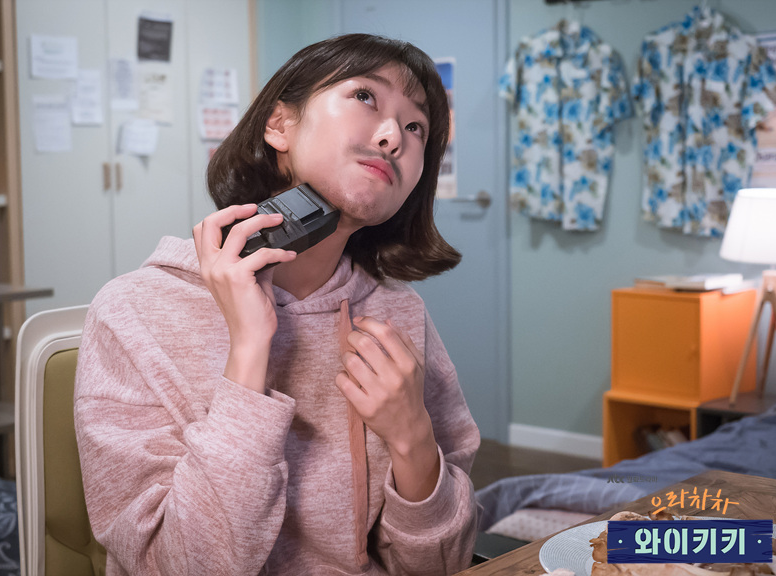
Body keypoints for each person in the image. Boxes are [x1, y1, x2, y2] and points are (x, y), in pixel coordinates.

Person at [74, 33, 481, 576]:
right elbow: (180, 565)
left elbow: (441, 565)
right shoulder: (133, 313)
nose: (392, 138)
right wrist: (248, 352)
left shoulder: (399, 315)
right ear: (279, 125)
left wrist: (413, 440)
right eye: (365, 96)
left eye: (416, 129)